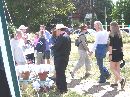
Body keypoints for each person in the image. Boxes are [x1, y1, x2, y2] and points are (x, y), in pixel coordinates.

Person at [51, 24, 71, 94]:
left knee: (60, 73)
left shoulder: (62, 37)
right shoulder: (67, 36)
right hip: (64, 57)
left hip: (60, 58)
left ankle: (62, 89)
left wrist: (52, 46)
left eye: (57, 30)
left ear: (59, 30)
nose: (56, 32)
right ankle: (61, 87)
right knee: (61, 73)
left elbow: (56, 47)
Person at [109, 21, 126, 89]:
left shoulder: (111, 35)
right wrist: (121, 54)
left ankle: (121, 80)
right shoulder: (119, 34)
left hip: (113, 52)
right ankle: (116, 83)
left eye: (110, 26)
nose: (109, 27)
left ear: (112, 27)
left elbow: (110, 46)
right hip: (119, 52)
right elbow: (121, 45)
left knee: (112, 68)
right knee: (117, 68)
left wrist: (110, 54)